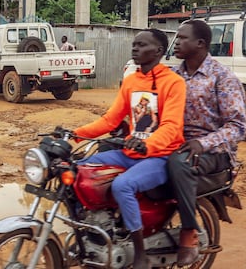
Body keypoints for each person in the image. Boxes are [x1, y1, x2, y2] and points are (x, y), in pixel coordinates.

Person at [73, 28, 185, 269]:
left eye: (142, 45)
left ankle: (140, 252)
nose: (135, 48)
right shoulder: (132, 80)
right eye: (134, 44)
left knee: (123, 185)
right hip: (131, 152)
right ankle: (92, 232)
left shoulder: (174, 83)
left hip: (161, 156)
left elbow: (171, 127)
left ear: (158, 51)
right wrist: (76, 134)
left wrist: (147, 143)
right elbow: (110, 120)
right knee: (78, 169)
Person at [168, 19, 246, 266]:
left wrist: (203, 143)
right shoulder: (172, 75)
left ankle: (189, 233)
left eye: (182, 38)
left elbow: (238, 126)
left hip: (214, 152)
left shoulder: (222, 77)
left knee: (179, 163)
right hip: (178, 143)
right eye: (176, 37)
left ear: (200, 43)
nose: (176, 42)